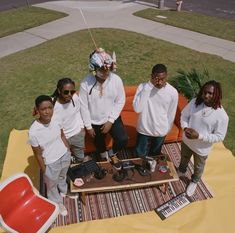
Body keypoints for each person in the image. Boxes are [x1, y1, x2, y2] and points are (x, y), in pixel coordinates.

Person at [79, 48, 128, 169]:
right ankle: (103, 155)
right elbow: (83, 106)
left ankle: (113, 153)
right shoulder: (85, 84)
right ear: (94, 69)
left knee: (123, 139)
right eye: (102, 69)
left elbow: (120, 101)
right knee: (99, 142)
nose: (106, 72)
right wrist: (88, 126)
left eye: (108, 68)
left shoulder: (116, 80)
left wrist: (111, 120)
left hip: (112, 118)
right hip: (94, 121)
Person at [178, 80, 229, 196]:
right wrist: (185, 128)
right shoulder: (194, 102)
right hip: (187, 142)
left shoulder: (222, 116)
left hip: (202, 149)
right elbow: (184, 115)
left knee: (198, 167)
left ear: (217, 95)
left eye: (210, 93)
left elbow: (219, 136)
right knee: (184, 158)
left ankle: (194, 181)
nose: (206, 95)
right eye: (205, 92)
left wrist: (199, 136)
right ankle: (181, 170)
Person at [28, 95, 71, 216]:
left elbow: (62, 135)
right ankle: (57, 202)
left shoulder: (57, 118)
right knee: (51, 186)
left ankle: (64, 190)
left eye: (50, 107)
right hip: (51, 163)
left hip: (64, 156)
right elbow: (38, 155)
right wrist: (45, 171)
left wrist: (68, 150)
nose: (47, 111)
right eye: (43, 109)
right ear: (37, 110)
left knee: (63, 176)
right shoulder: (33, 132)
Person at [133, 64, 178, 158]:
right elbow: (137, 109)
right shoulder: (143, 87)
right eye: (157, 79)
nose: (160, 82)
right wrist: (149, 86)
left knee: (155, 155)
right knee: (139, 155)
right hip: (144, 129)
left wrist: (166, 129)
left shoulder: (173, 92)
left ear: (166, 76)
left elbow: (171, 114)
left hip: (160, 130)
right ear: (152, 76)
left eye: (163, 79)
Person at [52, 77, 85, 164]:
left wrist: (81, 128)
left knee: (80, 158)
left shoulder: (75, 98)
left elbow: (78, 111)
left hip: (77, 134)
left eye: (72, 91)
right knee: (64, 161)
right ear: (59, 91)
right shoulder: (52, 105)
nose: (70, 94)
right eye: (66, 92)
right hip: (61, 139)